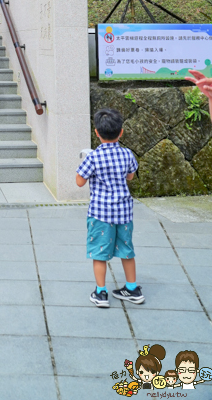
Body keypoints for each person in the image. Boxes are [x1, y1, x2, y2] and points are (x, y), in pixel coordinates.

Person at [75, 108, 143, 309]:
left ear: (96, 132)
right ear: (121, 132)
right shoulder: (127, 154)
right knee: (127, 250)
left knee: (99, 253)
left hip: (100, 214)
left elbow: (79, 181)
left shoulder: (93, 157)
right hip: (123, 213)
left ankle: (101, 292)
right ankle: (132, 288)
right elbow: (130, 176)